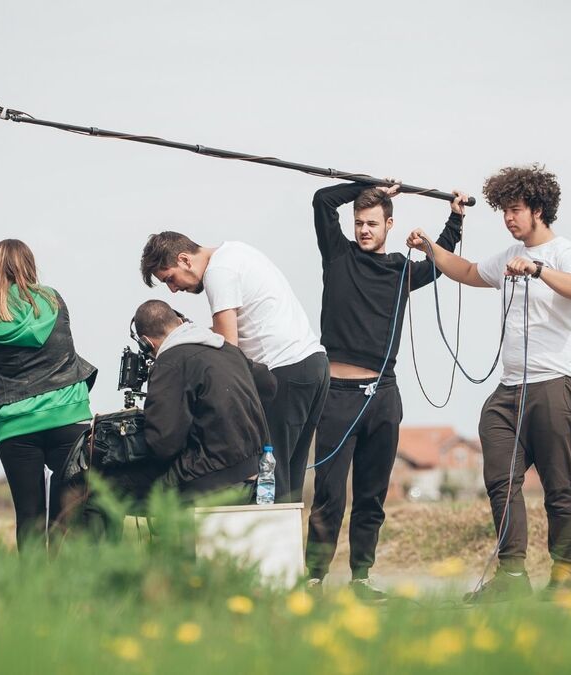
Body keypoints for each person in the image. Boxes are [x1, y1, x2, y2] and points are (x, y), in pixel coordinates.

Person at [407, 165, 571, 602]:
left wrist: (537, 270)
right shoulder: (509, 253)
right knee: (499, 476)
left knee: (559, 485)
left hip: (558, 384)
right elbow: (470, 271)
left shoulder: (567, 252)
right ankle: (512, 576)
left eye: (516, 210)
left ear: (538, 209)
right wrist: (431, 248)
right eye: (504, 211)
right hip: (510, 391)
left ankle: (563, 578)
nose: (509, 218)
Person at [305, 180, 467, 600]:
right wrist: (367, 186)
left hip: (383, 396)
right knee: (328, 494)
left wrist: (455, 218)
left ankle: (361, 577)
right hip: (338, 396)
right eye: (359, 222)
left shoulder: (401, 269)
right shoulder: (337, 256)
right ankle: (315, 578)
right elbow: (323, 200)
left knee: (371, 495)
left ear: (389, 225)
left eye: (371, 223)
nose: (363, 230)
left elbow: (441, 262)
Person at [140, 232, 328, 503]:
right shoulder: (236, 251)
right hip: (312, 365)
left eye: (169, 278)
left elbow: (227, 350)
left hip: (282, 369)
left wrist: (181, 346)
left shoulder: (219, 272)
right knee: (289, 480)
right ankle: (288, 545)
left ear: (184, 260)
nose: (172, 289)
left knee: (270, 478)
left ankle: (269, 545)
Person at [80, 300, 274, 536]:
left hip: (208, 478)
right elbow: (269, 384)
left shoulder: (170, 361)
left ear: (145, 342)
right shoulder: (228, 350)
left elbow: (163, 444)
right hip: (251, 473)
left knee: (101, 490)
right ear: (180, 321)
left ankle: (107, 570)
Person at [0, 239, 97, 550]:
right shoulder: (53, 301)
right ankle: (60, 589)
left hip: (16, 425)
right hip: (67, 415)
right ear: (29, 264)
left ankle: (31, 591)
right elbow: (64, 350)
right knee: (66, 514)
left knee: (28, 515)